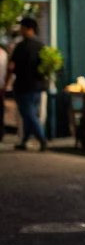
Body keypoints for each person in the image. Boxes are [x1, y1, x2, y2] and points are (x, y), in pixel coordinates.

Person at [7, 17, 47, 151]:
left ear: (26, 28)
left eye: (22, 27)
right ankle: (25, 141)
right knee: (30, 113)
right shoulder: (41, 45)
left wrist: (6, 82)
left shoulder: (22, 46)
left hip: (24, 85)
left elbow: (11, 66)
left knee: (28, 114)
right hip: (38, 85)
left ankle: (41, 138)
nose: (20, 30)